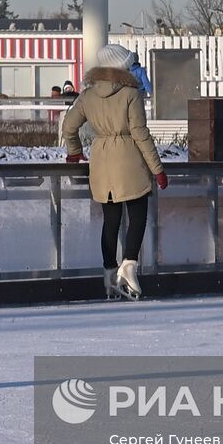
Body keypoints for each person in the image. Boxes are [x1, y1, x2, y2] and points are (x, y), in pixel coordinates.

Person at [61, 44, 168, 301]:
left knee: (111, 219)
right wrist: (158, 169)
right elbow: (140, 134)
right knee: (138, 214)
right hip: (129, 158)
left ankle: (109, 272)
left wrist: (75, 151)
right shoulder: (131, 94)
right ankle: (129, 265)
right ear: (121, 66)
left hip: (101, 159)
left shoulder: (87, 96)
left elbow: (68, 126)